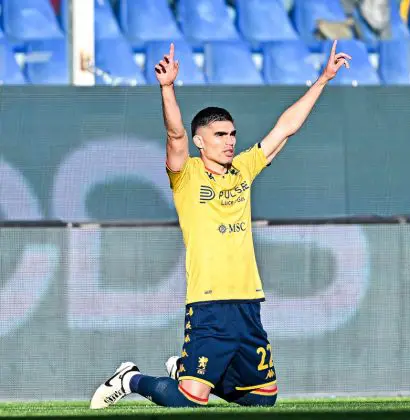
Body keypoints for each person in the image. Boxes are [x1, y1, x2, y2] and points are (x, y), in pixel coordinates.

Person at [89, 41, 351, 409]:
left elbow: (285, 129)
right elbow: (175, 135)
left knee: (263, 399)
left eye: (231, 134)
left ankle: (187, 373)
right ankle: (130, 379)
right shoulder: (187, 175)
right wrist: (167, 88)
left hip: (247, 300)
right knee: (189, 401)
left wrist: (323, 79)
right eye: (219, 135)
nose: (229, 142)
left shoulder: (243, 168)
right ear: (201, 142)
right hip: (209, 303)